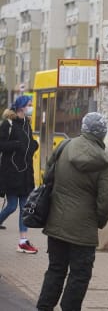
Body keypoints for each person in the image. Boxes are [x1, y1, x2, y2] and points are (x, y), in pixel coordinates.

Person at [36, 112, 108, 311]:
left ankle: (43, 307)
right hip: (83, 231)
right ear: (102, 134)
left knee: (55, 269)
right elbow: (106, 200)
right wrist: (97, 221)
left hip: (56, 224)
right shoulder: (104, 162)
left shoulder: (64, 146)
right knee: (79, 275)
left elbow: (48, 177)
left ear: (83, 128)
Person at [0, 95, 39, 254]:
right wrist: (16, 145)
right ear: (21, 106)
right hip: (11, 172)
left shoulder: (27, 123)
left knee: (25, 207)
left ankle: (23, 241)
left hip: (25, 172)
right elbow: (1, 145)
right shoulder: (8, 123)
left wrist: (34, 145)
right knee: (11, 206)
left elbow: (28, 143)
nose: (31, 106)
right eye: (29, 104)